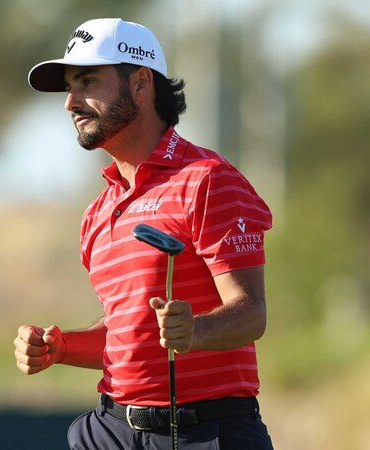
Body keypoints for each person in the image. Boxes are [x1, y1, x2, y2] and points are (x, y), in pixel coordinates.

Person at [14, 18, 274, 449]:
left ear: (139, 83)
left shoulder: (208, 180)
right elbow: (128, 332)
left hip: (204, 432)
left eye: (88, 81)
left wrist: (196, 331)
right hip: (110, 429)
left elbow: (251, 313)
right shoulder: (97, 213)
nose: (70, 102)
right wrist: (60, 349)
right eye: (69, 86)